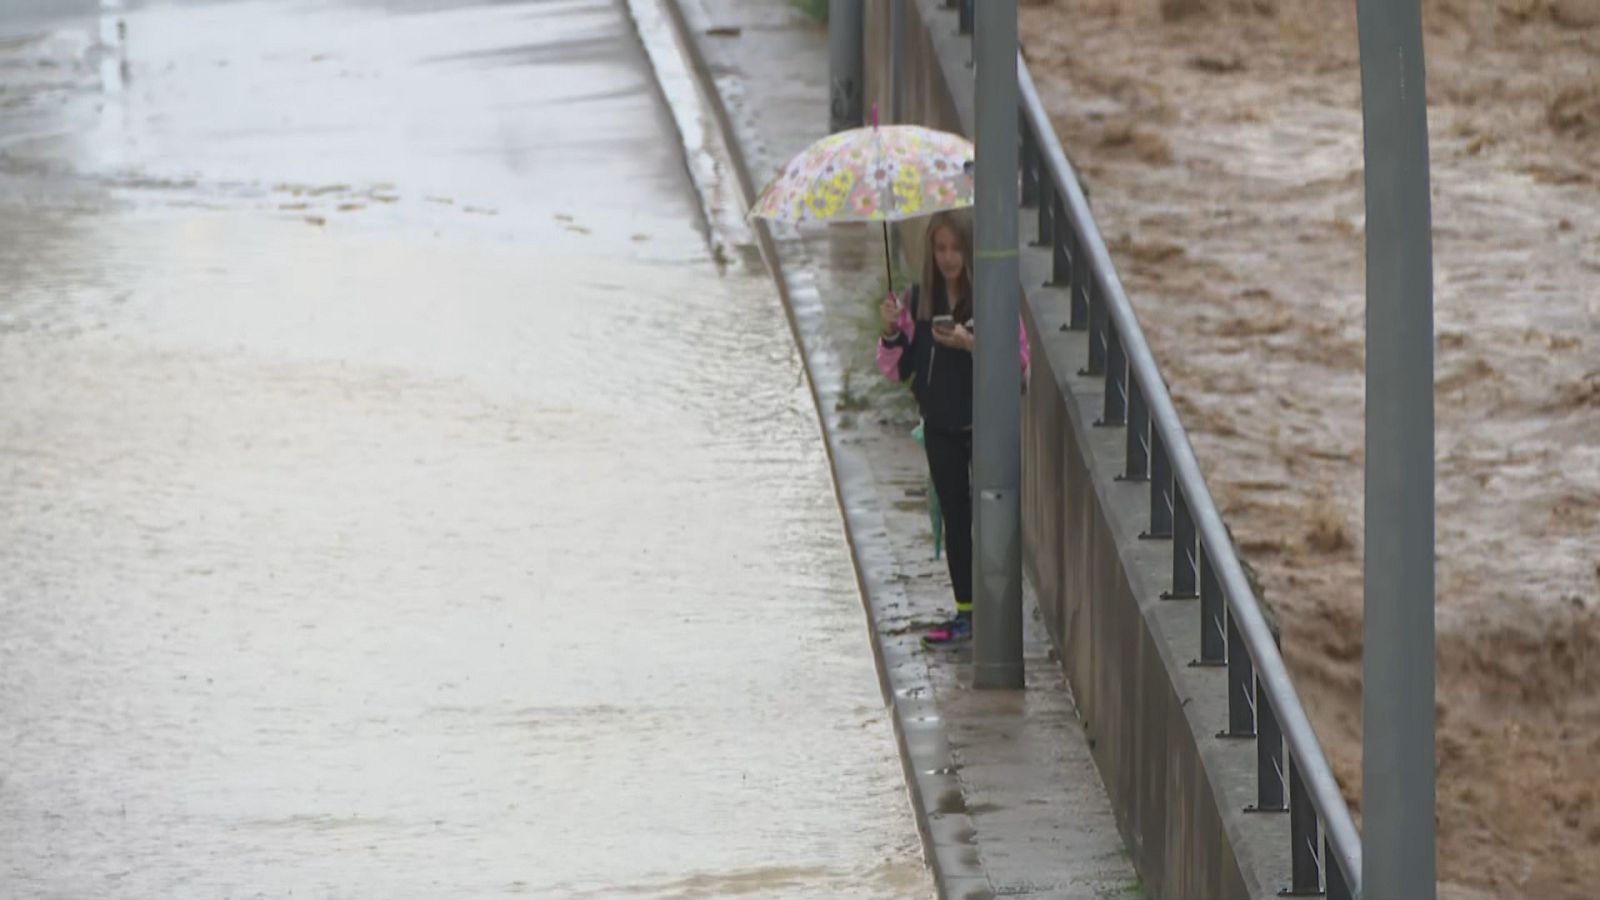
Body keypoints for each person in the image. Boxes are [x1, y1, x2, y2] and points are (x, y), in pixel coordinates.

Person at [876, 210, 1029, 647]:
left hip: (984, 425)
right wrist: (891, 331)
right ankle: (966, 613)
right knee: (955, 518)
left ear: (969, 250)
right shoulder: (917, 301)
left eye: (955, 249)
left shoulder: (992, 298)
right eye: (940, 249)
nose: (948, 258)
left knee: (993, 518)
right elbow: (896, 368)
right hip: (939, 425)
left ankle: (1000, 612)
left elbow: (1018, 361)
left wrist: (969, 342)